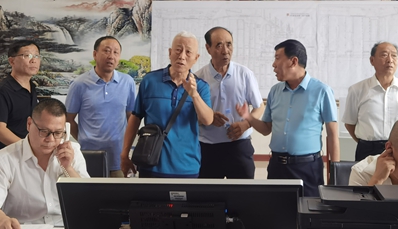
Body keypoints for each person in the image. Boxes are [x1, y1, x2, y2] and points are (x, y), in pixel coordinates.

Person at [238, 39, 339, 197]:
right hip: (277, 167)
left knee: (308, 210)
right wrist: (248, 117)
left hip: (308, 168)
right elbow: (266, 129)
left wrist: (335, 174)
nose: (273, 65)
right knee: (276, 210)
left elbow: (332, 135)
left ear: (293, 61)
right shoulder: (275, 91)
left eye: (277, 58)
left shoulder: (322, 91)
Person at [0, 99, 89, 229]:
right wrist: (2, 221)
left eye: (58, 133)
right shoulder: (5, 159)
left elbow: (88, 201)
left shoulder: (73, 152)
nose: (51, 140)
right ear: (29, 124)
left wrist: (68, 168)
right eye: (44, 131)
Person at [121, 32, 214, 178]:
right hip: (150, 164)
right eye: (178, 50)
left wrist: (194, 95)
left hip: (187, 167)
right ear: (170, 53)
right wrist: (124, 154)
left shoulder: (201, 87)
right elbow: (136, 117)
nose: (182, 56)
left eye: (188, 52)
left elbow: (207, 120)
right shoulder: (150, 81)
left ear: (196, 58)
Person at [195, 27, 264, 179]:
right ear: (208, 48)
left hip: (239, 147)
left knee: (243, 193)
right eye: (219, 45)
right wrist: (208, 117)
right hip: (208, 149)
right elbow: (191, 114)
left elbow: (259, 106)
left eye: (229, 44)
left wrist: (246, 124)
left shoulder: (245, 74)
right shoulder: (198, 78)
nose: (225, 51)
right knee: (208, 193)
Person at [66, 36, 136, 177]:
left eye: (116, 52)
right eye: (106, 51)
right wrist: (83, 138)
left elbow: (131, 117)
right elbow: (68, 119)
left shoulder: (127, 82)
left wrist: (127, 148)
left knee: (119, 191)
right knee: (90, 191)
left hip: (118, 157)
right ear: (95, 54)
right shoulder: (79, 84)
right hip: (88, 156)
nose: (111, 56)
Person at [342, 41, 398, 161]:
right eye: (384, 55)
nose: (390, 60)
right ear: (372, 60)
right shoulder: (357, 90)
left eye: (394, 55)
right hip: (368, 150)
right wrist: (366, 142)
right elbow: (349, 123)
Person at [0, 40, 41, 156]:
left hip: (26, 157)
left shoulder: (32, 87)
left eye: (36, 56)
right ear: (12, 61)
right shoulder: (1, 91)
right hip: (7, 159)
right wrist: (27, 149)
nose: (34, 60)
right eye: (27, 55)